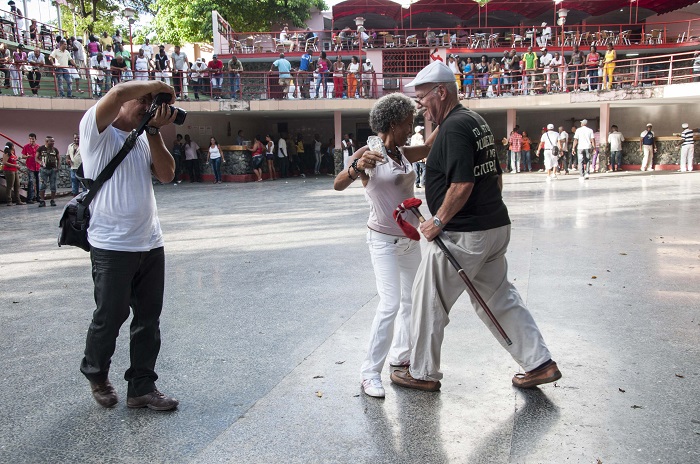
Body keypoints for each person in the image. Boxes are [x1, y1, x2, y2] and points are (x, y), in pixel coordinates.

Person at [390, 61, 561, 392]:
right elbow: (493, 176)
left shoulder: (454, 127)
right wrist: (386, 153)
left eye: (423, 97)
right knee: (499, 299)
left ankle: (421, 373)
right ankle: (540, 364)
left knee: (428, 299)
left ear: (442, 92)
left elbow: (463, 184)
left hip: (463, 235)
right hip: (492, 227)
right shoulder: (472, 120)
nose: (420, 105)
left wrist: (439, 221)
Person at [77, 78, 179, 411]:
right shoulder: (97, 130)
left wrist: (153, 130)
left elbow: (166, 175)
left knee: (149, 318)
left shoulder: (142, 137)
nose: (146, 106)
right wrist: (160, 84)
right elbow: (119, 93)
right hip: (111, 244)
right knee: (111, 314)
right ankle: (96, 372)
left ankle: (142, 387)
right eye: (143, 100)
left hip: (150, 241)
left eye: (152, 102)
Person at [333, 93, 422, 398]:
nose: (412, 128)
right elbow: (339, 183)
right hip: (382, 240)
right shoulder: (369, 152)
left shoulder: (403, 152)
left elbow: (432, 144)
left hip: (409, 239)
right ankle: (370, 373)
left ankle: (400, 355)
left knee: (414, 300)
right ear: (393, 123)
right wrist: (357, 168)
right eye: (408, 123)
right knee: (391, 304)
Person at [37, 135, 60, 206]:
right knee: (42, 185)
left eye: (53, 141)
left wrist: (58, 167)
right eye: (51, 141)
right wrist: (40, 162)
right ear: (47, 141)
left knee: (53, 185)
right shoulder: (41, 149)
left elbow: (59, 159)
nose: (53, 142)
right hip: (43, 170)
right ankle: (42, 201)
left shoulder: (55, 150)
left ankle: (52, 200)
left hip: (53, 170)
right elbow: (36, 157)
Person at [21, 133, 40, 203]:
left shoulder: (38, 147)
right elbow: (23, 156)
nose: (31, 141)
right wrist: (27, 157)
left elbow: (41, 156)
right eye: (30, 139)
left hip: (37, 166)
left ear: (35, 139)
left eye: (33, 139)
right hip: (30, 166)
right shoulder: (26, 147)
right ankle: (30, 198)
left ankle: (38, 197)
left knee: (38, 182)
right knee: (31, 181)